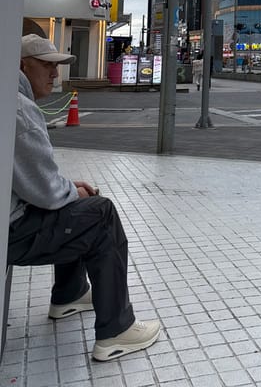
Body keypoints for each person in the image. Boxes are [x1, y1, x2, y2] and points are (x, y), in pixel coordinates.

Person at [9, 35, 160, 361]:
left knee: (78, 205)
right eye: (47, 65)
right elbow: (48, 193)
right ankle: (117, 330)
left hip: (11, 222)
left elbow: (35, 181)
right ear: (23, 65)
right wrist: (67, 190)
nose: (55, 74)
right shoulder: (19, 110)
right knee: (100, 213)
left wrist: (67, 189)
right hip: (13, 233)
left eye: (57, 66)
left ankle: (70, 294)